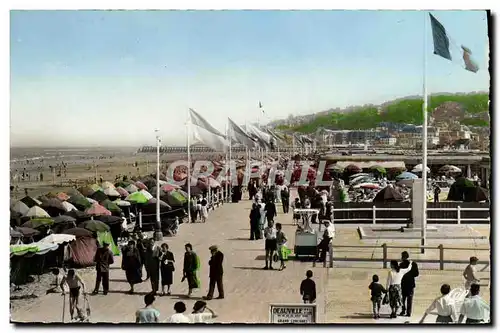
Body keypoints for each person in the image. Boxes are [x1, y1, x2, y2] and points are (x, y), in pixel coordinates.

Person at [400, 251, 419, 317]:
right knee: (409, 299)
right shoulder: (414, 264)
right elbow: (416, 274)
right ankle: (408, 312)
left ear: (402, 257)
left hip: (403, 284)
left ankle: (403, 310)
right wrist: (411, 275)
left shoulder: (401, 265)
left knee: (403, 299)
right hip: (410, 284)